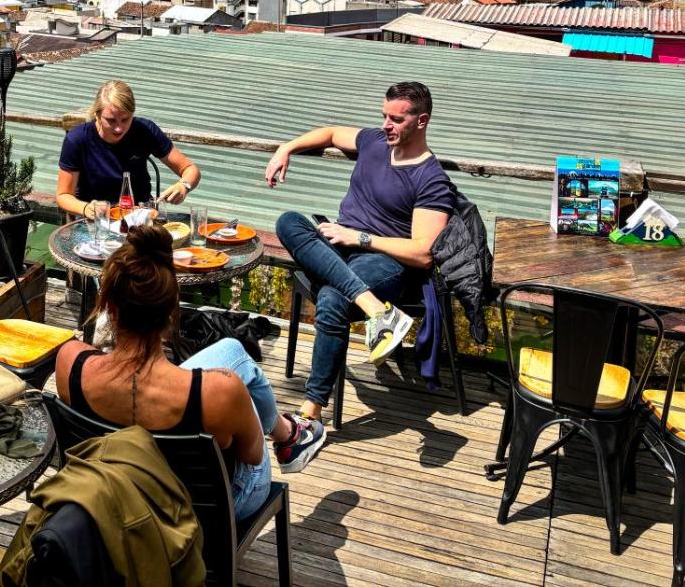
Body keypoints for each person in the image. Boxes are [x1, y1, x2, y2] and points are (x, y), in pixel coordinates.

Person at [54, 224, 326, 517]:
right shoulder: (219, 391)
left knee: (232, 350)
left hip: (112, 497)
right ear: (172, 309)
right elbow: (251, 456)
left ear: (108, 304)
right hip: (199, 512)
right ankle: (289, 437)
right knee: (241, 397)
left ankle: (287, 433)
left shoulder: (70, 361)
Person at [266, 81, 456, 425]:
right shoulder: (375, 141)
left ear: (422, 121)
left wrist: (360, 238)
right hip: (340, 244)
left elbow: (423, 254)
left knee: (332, 298)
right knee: (288, 221)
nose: (386, 125)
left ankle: (310, 413)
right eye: (384, 116)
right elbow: (330, 133)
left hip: (383, 260)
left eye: (396, 119)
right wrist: (286, 147)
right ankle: (376, 310)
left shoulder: (431, 179)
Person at [56, 80, 201, 218]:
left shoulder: (145, 130)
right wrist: (86, 208)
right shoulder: (77, 139)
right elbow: (63, 195)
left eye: (125, 119)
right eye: (111, 120)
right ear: (97, 114)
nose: (119, 128)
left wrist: (184, 185)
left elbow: (190, 169)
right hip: (96, 219)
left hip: (140, 217)